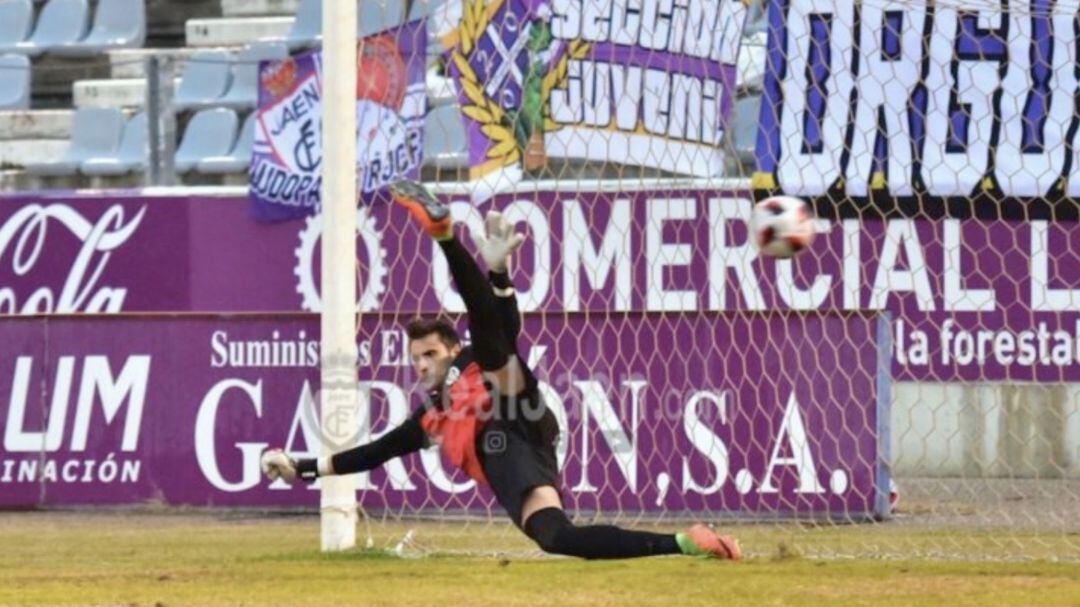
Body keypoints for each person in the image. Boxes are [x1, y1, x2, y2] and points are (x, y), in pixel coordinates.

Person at [261, 180, 741, 560]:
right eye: (416, 359)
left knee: (494, 348)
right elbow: (374, 452)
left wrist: (499, 277)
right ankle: (684, 542)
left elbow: (501, 330)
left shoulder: (469, 358)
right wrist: (304, 466)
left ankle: (443, 233)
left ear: (450, 348)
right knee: (557, 538)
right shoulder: (433, 416)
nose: (423, 364)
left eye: (430, 353)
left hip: (516, 407)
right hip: (513, 457)